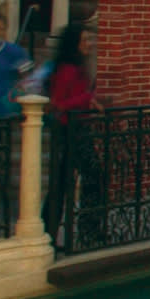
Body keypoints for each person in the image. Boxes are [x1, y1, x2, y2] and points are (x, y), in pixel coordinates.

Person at [41, 21, 100, 247]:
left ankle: (76, 229)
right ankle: (84, 230)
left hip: (78, 128)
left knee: (69, 181)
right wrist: (86, 99)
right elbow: (58, 103)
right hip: (69, 130)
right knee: (78, 179)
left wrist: (89, 101)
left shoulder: (78, 67)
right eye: (85, 40)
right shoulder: (67, 69)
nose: (89, 44)